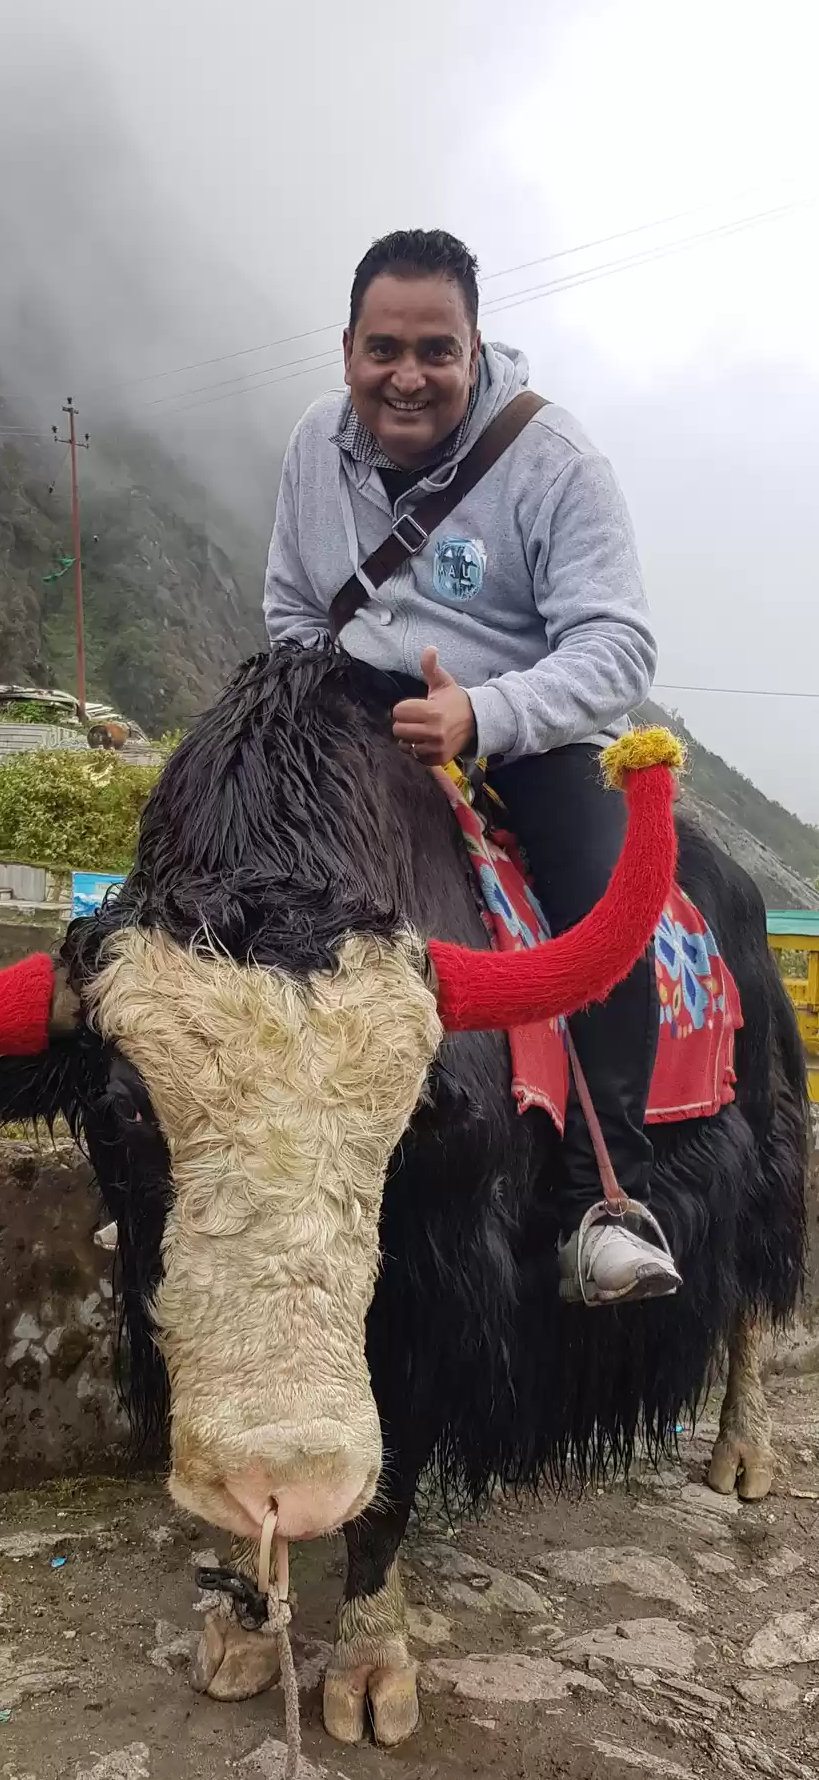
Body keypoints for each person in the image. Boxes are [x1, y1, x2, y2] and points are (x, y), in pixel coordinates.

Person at [264, 226, 681, 1306]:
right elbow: (294, 609)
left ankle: (603, 1199)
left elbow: (616, 645)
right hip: (353, 714)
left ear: (475, 347)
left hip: (529, 727)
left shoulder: (555, 460)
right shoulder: (316, 442)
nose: (408, 376)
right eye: (383, 348)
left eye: (435, 350)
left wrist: (482, 712)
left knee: (602, 913)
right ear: (347, 346)